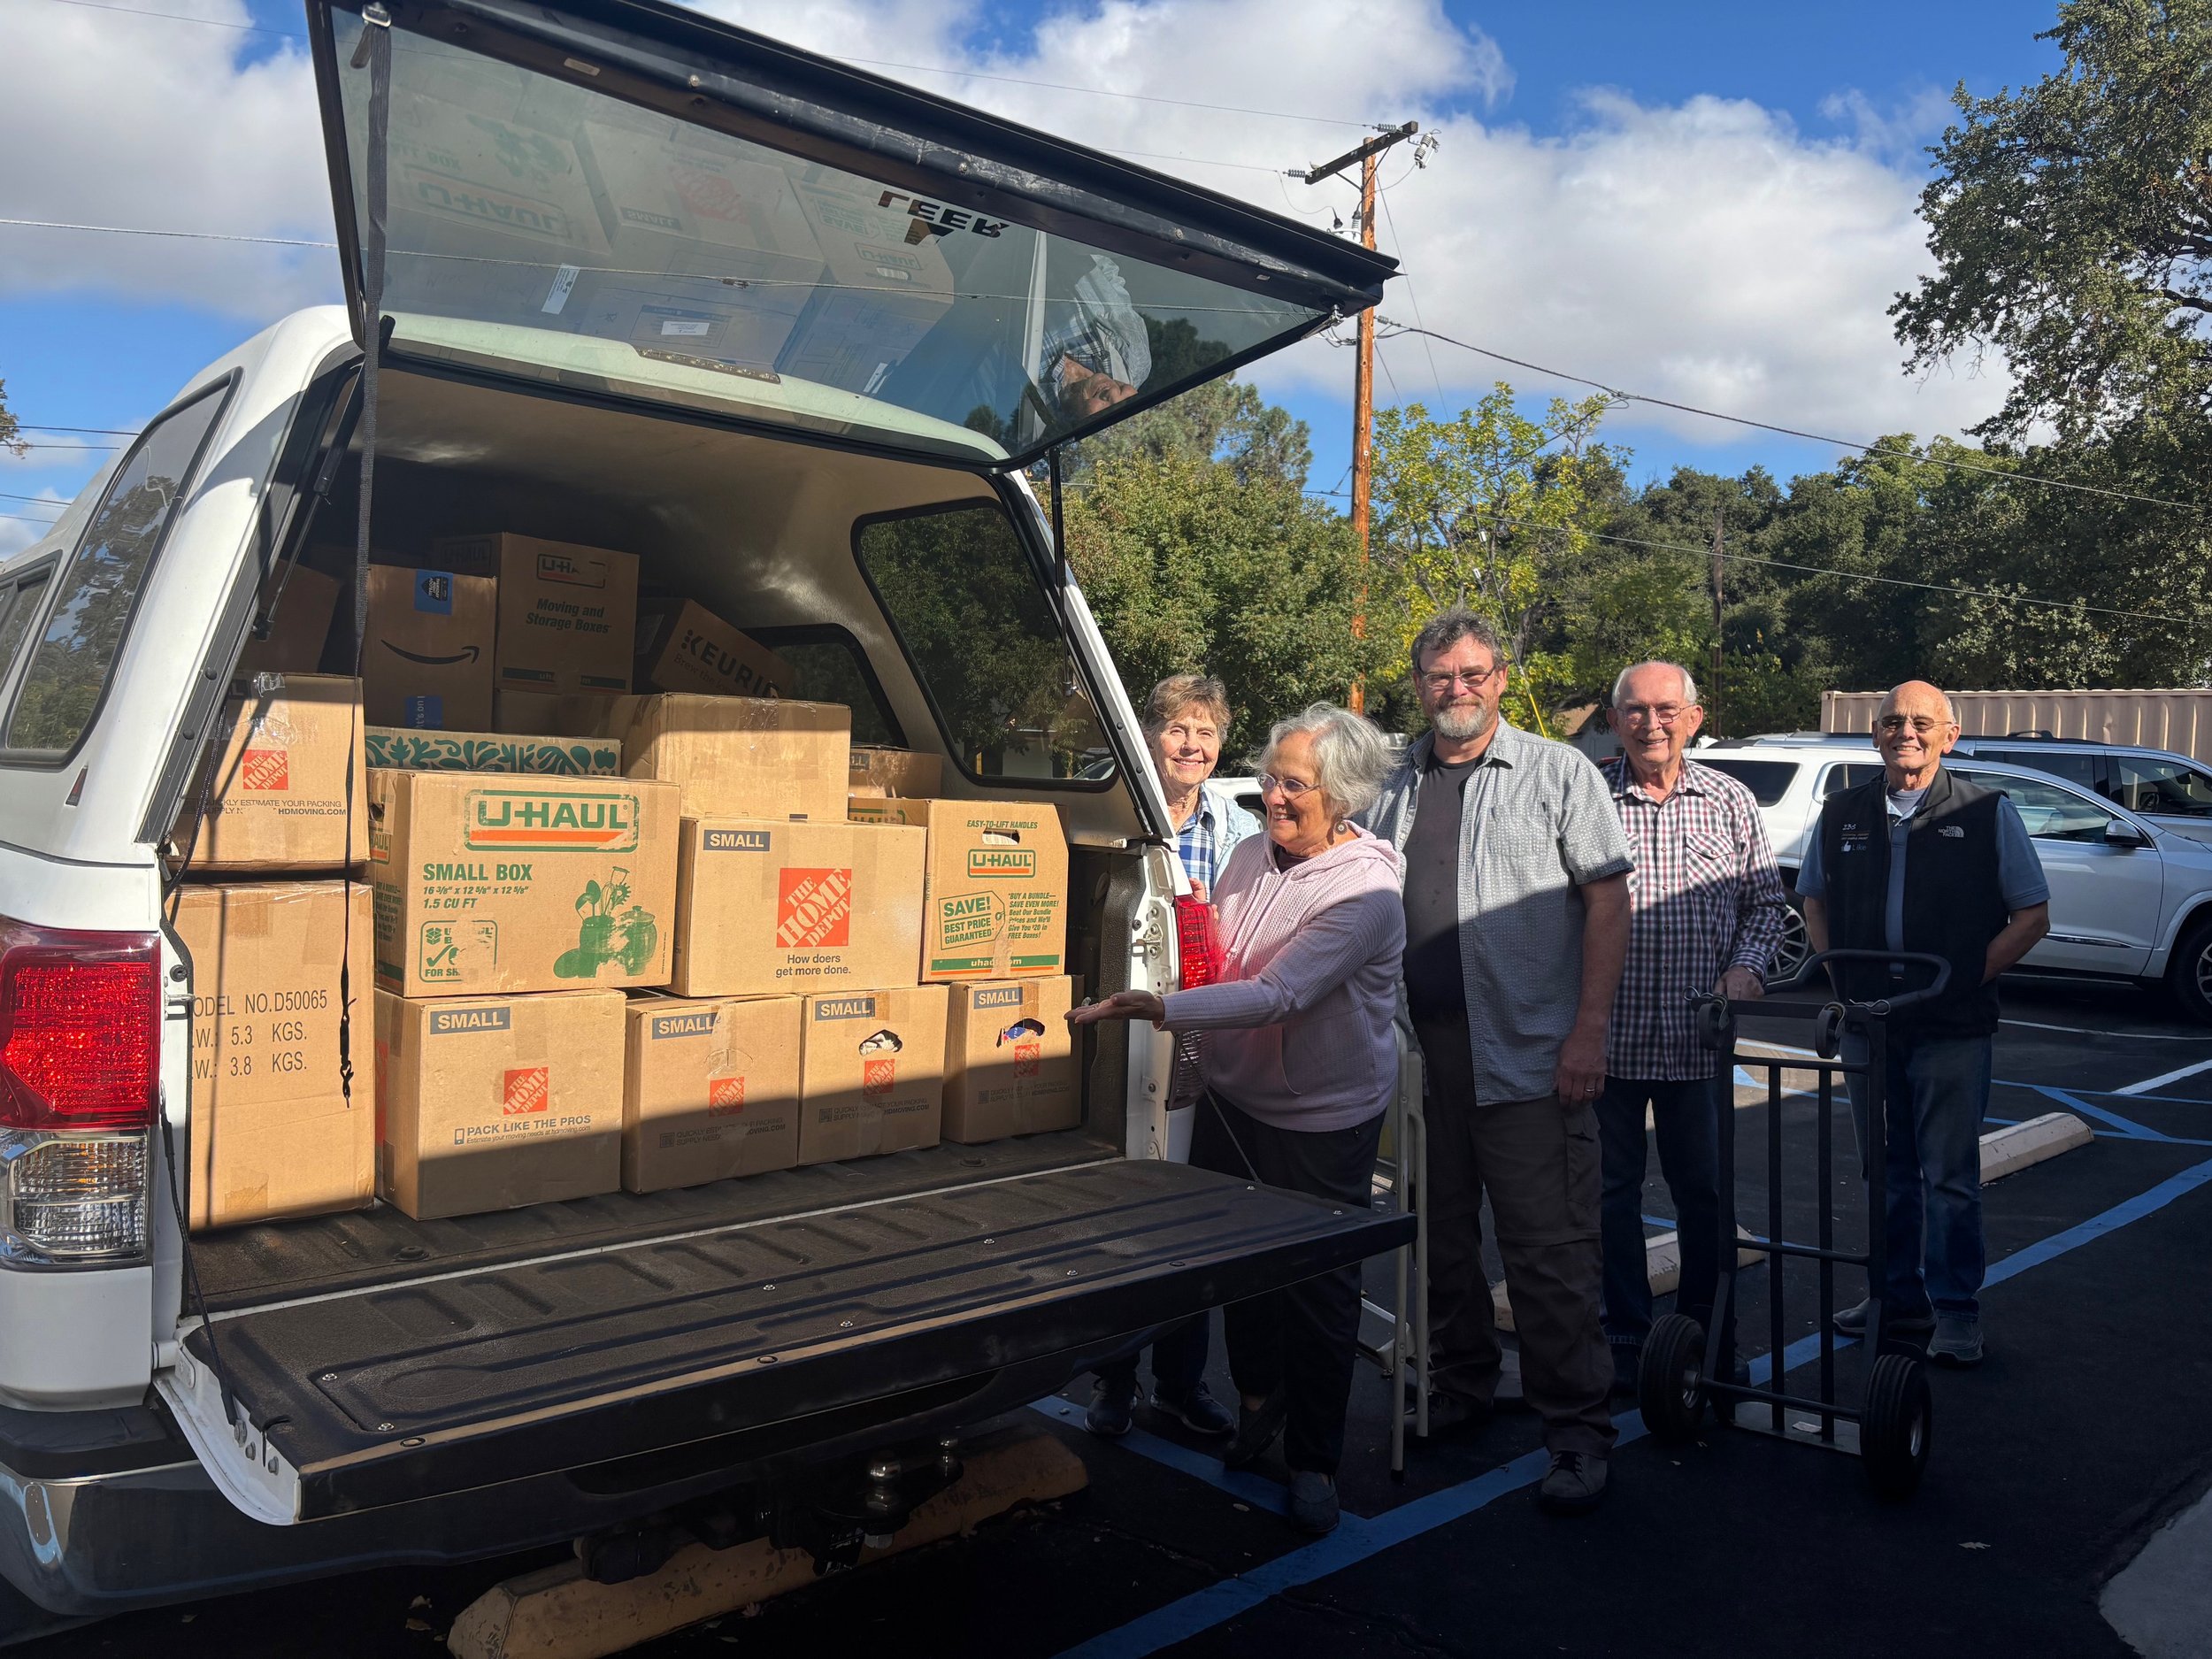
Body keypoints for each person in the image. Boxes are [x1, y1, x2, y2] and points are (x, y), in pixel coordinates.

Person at [1070, 703, 1403, 1536]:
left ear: (1345, 796)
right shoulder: (1254, 852)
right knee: (1239, 1270)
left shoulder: (1366, 890)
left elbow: (1276, 994)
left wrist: (1160, 1006)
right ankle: (1260, 1413)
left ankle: (1317, 1459)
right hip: (1236, 1100)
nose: (1274, 795)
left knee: (1317, 1287)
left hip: (1320, 1117)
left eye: (1295, 784)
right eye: (1271, 777)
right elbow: (1219, 951)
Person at [1363, 610, 1632, 1515]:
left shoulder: (1557, 774)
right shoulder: (1394, 785)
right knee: (1439, 1248)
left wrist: (1587, 1033)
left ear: (1501, 680)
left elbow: (1606, 907)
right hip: (1419, 1065)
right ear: (1419, 683)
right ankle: (1463, 1387)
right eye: (1440, 676)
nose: (1457, 690)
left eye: (1472, 674)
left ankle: (1577, 1430)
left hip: (1526, 1060)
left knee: (1549, 1255)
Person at [1798, 680, 2050, 1367]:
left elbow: (2032, 916)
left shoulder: (1986, 811)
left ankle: (1957, 1310)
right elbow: (1813, 898)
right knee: (1886, 1171)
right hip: (1869, 1026)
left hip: (1950, 1028)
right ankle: (1893, 1297)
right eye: (1891, 721)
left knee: (1949, 1177)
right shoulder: (1842, 810)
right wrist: (1838, 976)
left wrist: (1965, 979)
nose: (1904, 731)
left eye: (1919, 721)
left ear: (1950, 732)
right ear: (1874, 734)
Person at [1595, 661, 1788, 1394]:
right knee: (1609, 1200)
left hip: (1697, 1046)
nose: (1652, 723)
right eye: (1636, 710)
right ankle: (1625, 1341)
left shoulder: (1730, 801)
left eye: (1667, 709)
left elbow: (1767, 907)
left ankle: (1710, 1341)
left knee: (1704, 1199)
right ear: (1615, 721)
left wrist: (1746, 970)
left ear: (1694, 717)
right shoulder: (1589, 799)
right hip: (1606, 1044)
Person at [1084, 675, 1259, 1441]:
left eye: (1207, 732)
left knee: (1189, 1209)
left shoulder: (1234, 823)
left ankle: (1182, 1384)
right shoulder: (1108, 805)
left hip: (1199, 1027)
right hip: (1122, 1023)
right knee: (1122, 1202)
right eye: (1178, 730)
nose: (1193, 746)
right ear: (1148, 733)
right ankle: (1114, 1378)